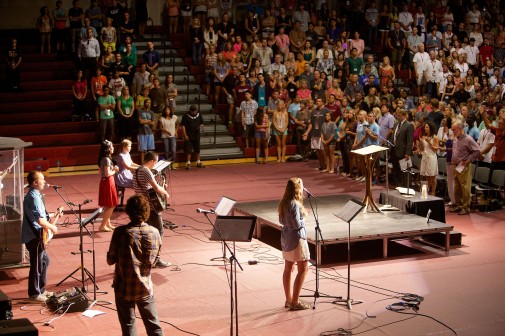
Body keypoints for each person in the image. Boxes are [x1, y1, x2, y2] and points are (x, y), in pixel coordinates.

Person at [107, 195, 164, 335]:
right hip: (145, 287)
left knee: (128, 326)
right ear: (146, 211)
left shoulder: (121, 232)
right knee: (154, 326)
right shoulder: (155, 232)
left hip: (124, 287)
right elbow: (155, 260)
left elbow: (110, 260)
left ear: (128, 211)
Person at [22, 171, 62, 302]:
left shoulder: (36, 195)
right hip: (34, 236)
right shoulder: (33, 197)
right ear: (34, 183)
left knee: (44, 261)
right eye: (42, 179)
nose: (45, 181)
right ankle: (34, 293)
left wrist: (54, 214)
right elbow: (40, 221)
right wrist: (52, 227)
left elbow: (41, 216)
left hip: (36, 235)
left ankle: (42, 289)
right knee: (37, 264)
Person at [133, 151, 171, 268]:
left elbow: (144, 186)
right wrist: (165, 192)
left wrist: (159, 187)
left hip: (143, 205)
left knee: (147, 232)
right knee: (159, 232)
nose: (155, 164)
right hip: (152, 206)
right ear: (151, 161)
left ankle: (146, 257)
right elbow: (155, 187)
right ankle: (156, 259)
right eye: (155, 162)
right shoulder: (146, 171)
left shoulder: (138, 170)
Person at [279, 177, 311, 311]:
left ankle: (289, 299)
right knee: (303, 269)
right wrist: (304, 218)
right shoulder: (295, 204)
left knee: (288, 269)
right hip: (297, 239)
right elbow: (297, 224)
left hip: (286, 239)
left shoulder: (284, 202)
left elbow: (281, 220)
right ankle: (296, 302)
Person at [450, 121, 481, 215]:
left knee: (465, 188)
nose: (453, 131)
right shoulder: (456, 138)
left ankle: (466, 207)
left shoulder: (468, 139)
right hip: (456, 166)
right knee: (457, 187)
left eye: (454, 130)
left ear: (460, 129)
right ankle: (459, 205)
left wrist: (469, 160)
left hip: (463, 166)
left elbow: (477, 150)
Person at [98, 140, 119, 232]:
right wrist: (115, 170)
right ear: (107, 149)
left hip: (108, 181)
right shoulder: (106, 159)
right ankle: (102, 225)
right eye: (111, 146)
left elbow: (100, 171)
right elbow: (107, 173)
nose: (113, 148)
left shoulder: (105, 158)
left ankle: (107, 223)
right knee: (111, 204)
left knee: (108, 204)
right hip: (107, 181)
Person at [390, 109, 414, 188]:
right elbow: (394, 136)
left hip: (403, 152)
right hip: (394, 150)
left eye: (399, 115)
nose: (397, 116)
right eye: (396, 115)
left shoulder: (409, 125)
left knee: (404, 171)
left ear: (404, 116)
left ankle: (405, 186)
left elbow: (410, 140)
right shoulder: (396, 124)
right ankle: (398, 185)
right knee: (395, 170)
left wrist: (408, 153)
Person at [417, 121, 440, 196]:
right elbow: (422, 148)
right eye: (425, 127)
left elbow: (435, 149)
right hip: (425, 157)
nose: (425, 128)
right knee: (426, 176)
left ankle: (433, 192)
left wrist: (429, 142)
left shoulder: (435, 137)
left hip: (432, 157)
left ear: (431, 128)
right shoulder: (424, 136)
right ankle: (426, 191)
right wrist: (420, 143)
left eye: (427, 127)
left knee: (433, 176)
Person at [180, 105, 205, 169]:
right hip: (188, 135)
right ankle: (188, 163)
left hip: (196, 135)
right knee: (188, 150)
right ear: (190, 111)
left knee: (197, 149)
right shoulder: (185, 116)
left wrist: (200, 126)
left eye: (195, 111)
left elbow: (202, 123)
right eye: (193, 112)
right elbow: (183, 126)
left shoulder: (199, 114)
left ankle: (198, 162)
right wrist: (185, 135)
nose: (194, 113)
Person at [137, 98, 156, 163]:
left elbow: (153, 123)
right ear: (144, 103)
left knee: (150, 150)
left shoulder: (151, 112)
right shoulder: (140, 111)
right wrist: (149, 121)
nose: (148, 104)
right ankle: (142, 164)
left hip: (150, 132)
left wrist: (144, 121)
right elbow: (140, 121)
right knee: (142, 150)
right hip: (141, 132)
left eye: (149, 103)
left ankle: (149, 163)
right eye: (147, 102)